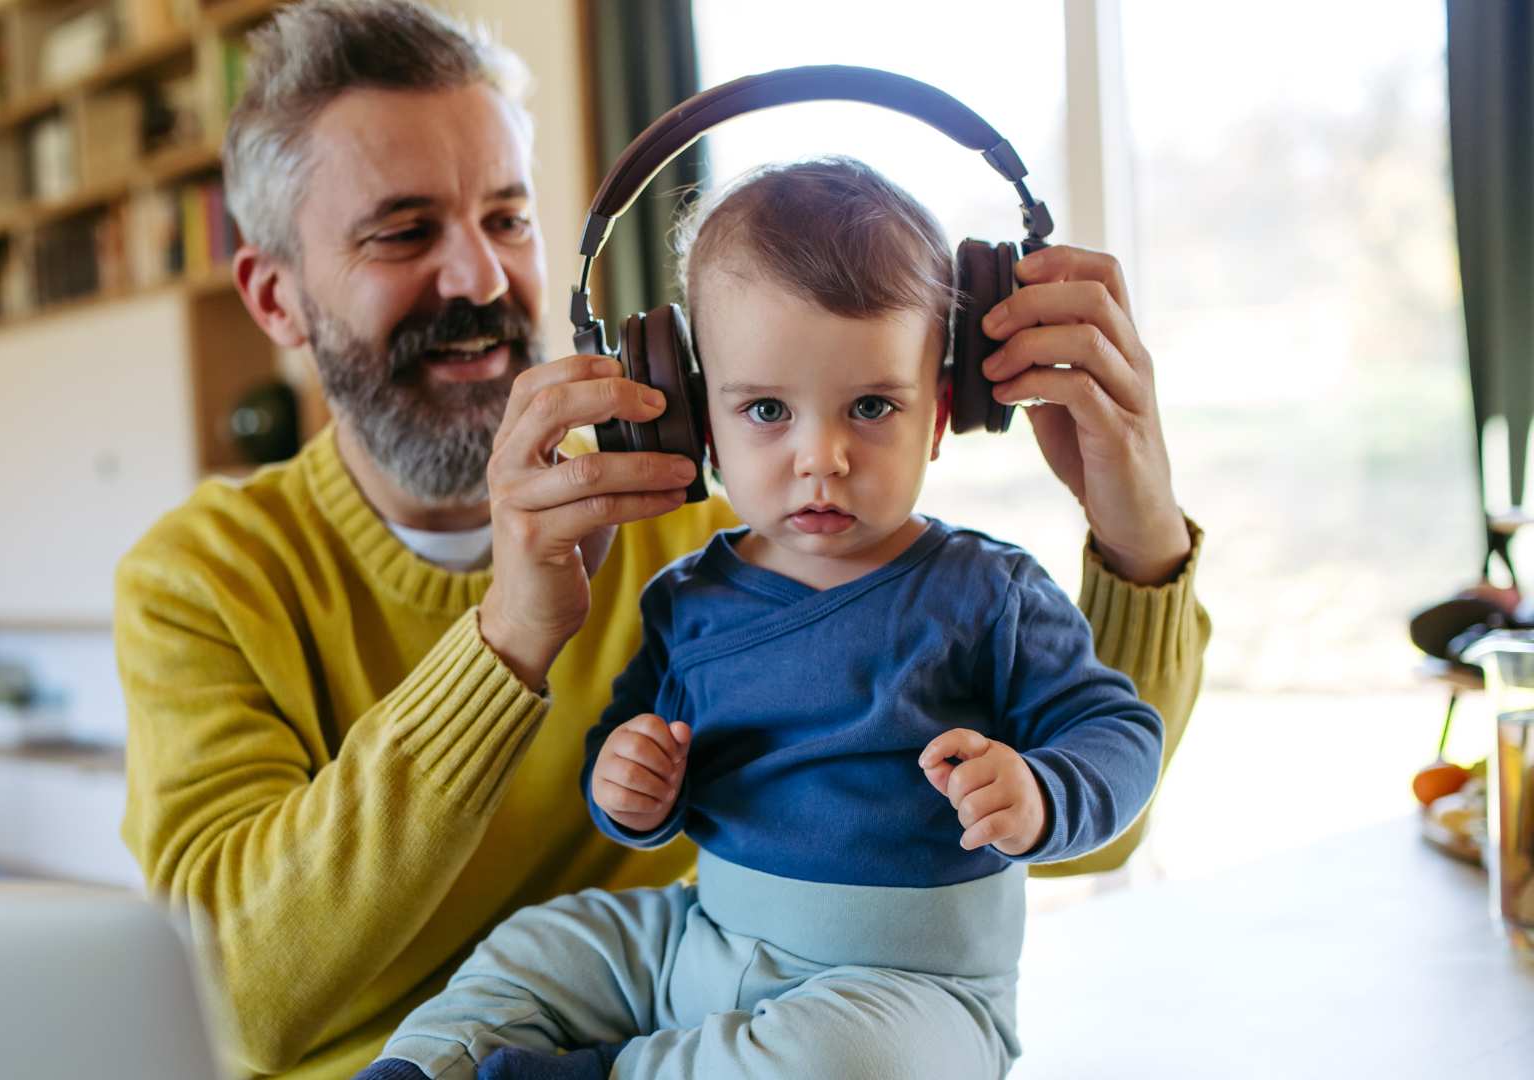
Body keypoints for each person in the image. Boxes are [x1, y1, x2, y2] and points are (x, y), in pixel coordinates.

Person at [113, 2, 1208, 1077]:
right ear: (274, 297)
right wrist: (509, 636)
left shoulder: (727, 526)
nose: (482, 279)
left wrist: (1137, 531)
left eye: (508, 219)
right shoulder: (202, 578)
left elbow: (1088, 831)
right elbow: (228, 1000)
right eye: (404, 232)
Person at [352, 158, 1166, 1080]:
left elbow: (1121, 732)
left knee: (849, 1068)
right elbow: (630, 749)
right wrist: (630, 787)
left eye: (871, 407)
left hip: (910, 993)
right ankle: (429, 1064)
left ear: (941, 414)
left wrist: (1043, 793)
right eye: (768, 410)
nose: (821, 457)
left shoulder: (991, 593)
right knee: (541, 944)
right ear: (697, 425)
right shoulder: (687, 596)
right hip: (704, 936)